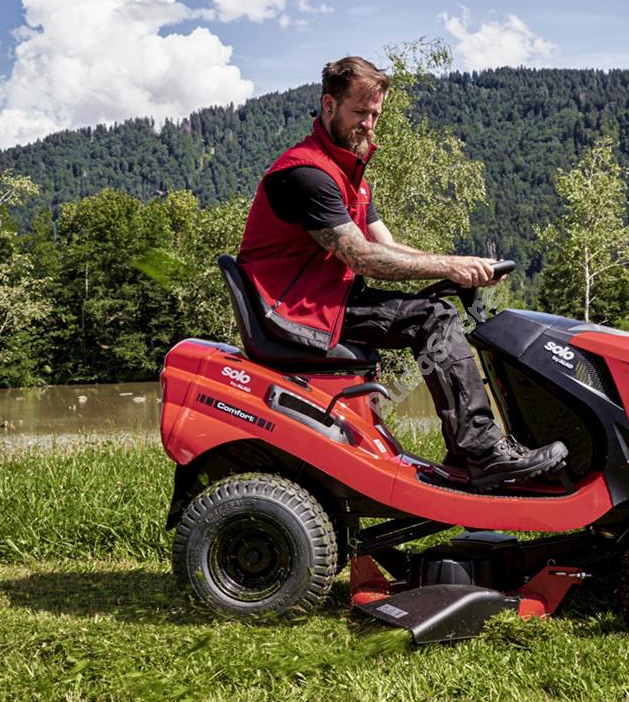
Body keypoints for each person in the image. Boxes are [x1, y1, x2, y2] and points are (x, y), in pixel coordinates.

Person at [237, 55, 566, 489]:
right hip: (296, 311)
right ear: (329, 105)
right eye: (360, 112)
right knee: (434, 319)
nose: (369, 125)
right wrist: (451, 266)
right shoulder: (306, 175)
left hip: (328, 300)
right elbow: (363, 259)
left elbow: (388, 247)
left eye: (375, 115)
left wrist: (464, 265)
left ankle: (467, 451)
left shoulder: (350, 175)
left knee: (436, 305)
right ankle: (483, 452)